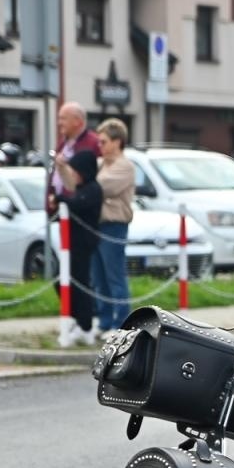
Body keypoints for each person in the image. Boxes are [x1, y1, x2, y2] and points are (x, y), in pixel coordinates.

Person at [53, 143, 102, 346]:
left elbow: (78, 204)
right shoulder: (82, 189)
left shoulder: (92, 189)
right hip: (73, 243)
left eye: (75, 171)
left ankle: (86, 326)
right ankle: (75, 319)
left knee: (80, 285)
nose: (73, 175)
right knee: (63, 282)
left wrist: (60, 198)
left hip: (83, 244)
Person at [91, 118, 134, 334]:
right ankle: (104, 319)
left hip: (114, 224)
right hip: (96, 224)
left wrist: (87, 186)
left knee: (114, 275)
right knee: (98, 276)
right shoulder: (99, 164)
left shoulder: (124, 166)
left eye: (104, 141)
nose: (100, 146)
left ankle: (122, 322)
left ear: (117, 142)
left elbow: (102, 187)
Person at [48, 102, 101, 214]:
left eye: (63, 119)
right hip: (60, 210)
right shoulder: (62, 144)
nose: (59, 123)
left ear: (77, 121)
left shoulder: (93, 144)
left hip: (79, 210)